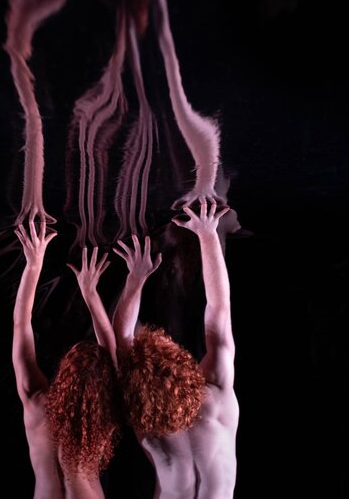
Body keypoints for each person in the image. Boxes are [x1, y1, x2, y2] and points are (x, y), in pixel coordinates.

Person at [112, 199, 238, 498]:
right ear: (183, 362)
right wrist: (207, 234)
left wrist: (135, 281)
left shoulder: (148, 426)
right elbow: (219, 312)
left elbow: (121, 339)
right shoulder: (216, 395)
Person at [12, 219, 122, 498]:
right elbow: (111, 347)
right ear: (103, 384)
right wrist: (90, 292)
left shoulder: (37, 402)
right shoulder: (104, 414)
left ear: (64, 372)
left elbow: (21, 326)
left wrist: (33, 264)